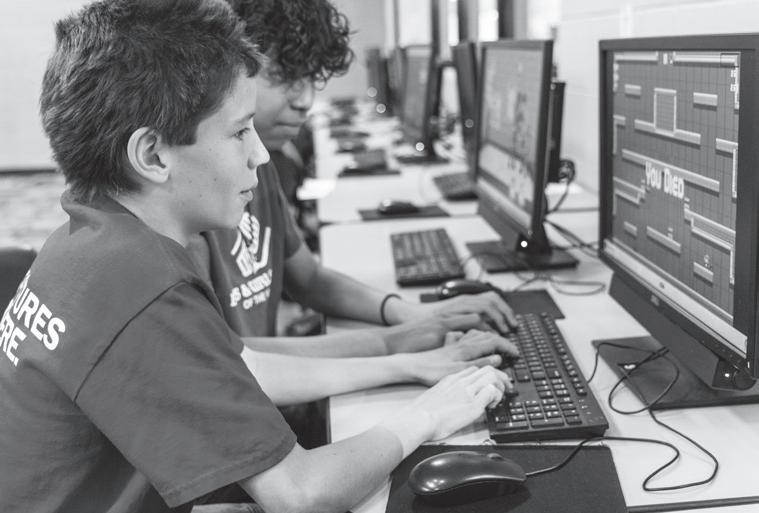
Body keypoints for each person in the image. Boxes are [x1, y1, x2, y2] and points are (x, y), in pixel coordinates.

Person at [0, 1, 511, 512]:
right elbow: (302, 493)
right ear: (153, 155)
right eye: (240, 131)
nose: (261, 154)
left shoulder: (90, 240)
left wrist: (406, 362)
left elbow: (240, 367)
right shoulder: (140, 282)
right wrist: (430, 413)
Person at [189, 0, 519, 361]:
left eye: (312, 78)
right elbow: (224, 361)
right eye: (286, 75)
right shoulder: (191, 203)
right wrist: (393, 346)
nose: (306, 100)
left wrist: (411, 313)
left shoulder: (261, 164)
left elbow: (308, 279)